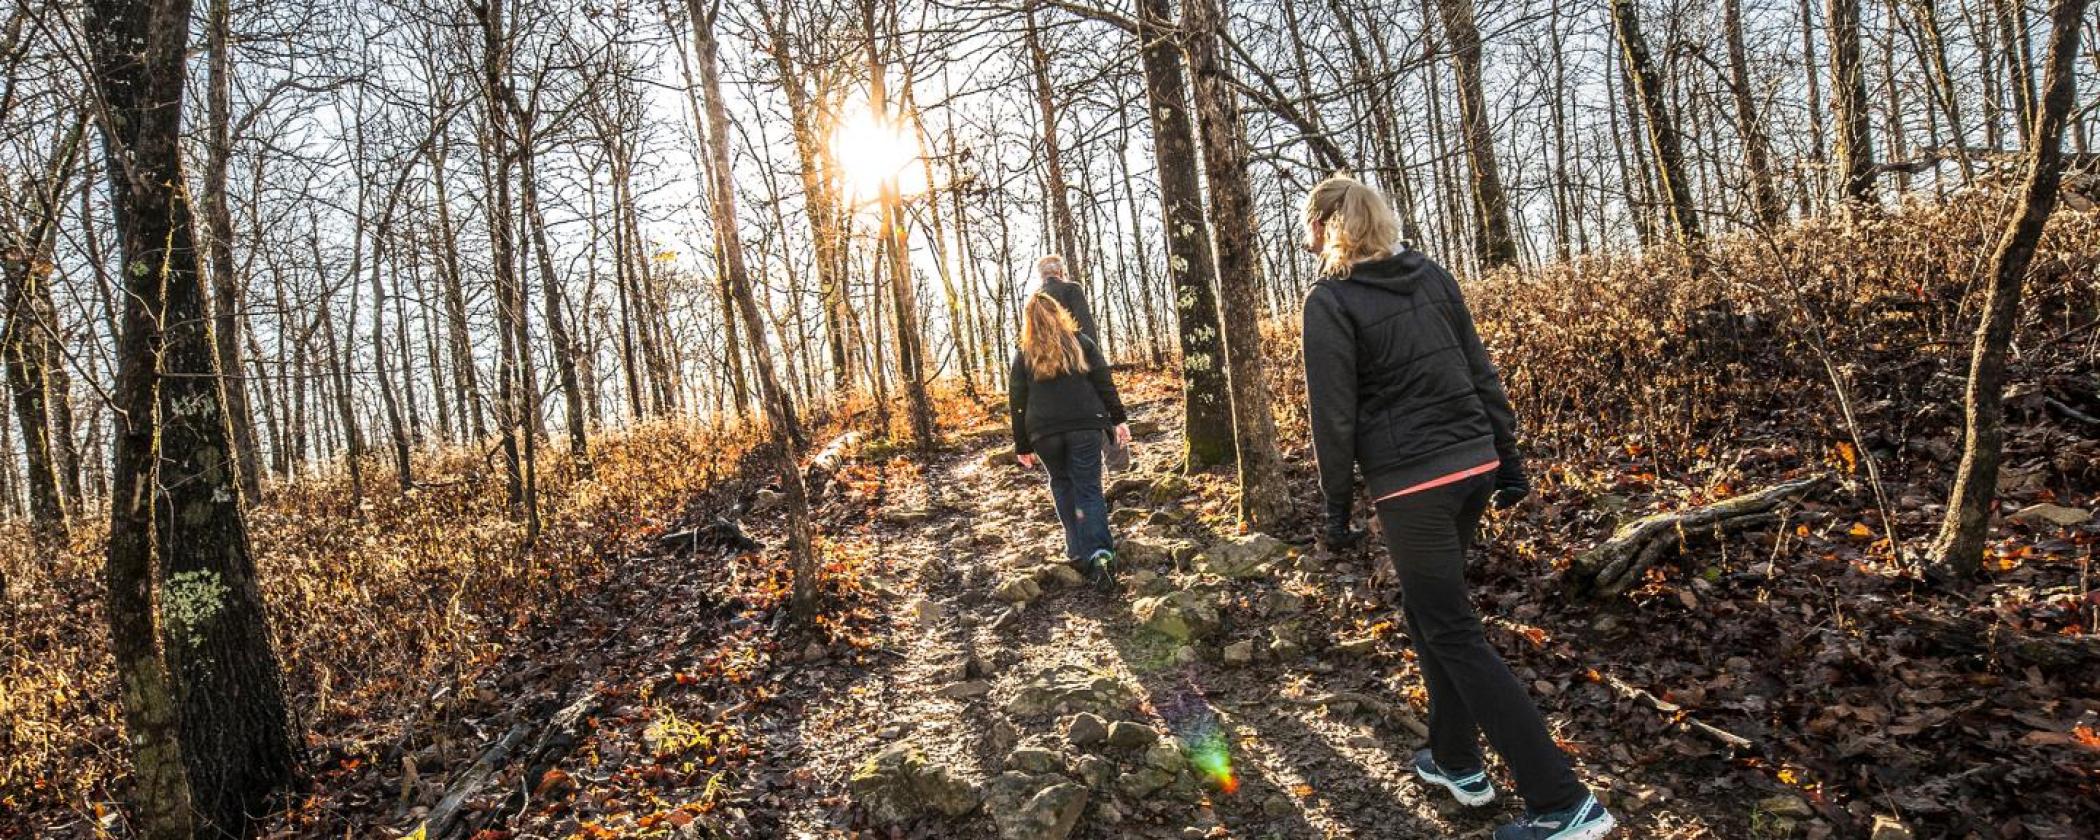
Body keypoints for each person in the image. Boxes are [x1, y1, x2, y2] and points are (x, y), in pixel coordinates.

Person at [1298, 175, 1615, 840]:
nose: (1308, 238)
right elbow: (1481, 371)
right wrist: (1509, 459)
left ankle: (1563, 803)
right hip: (1472, 464)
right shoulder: (1431, 275)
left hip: (1414, 483)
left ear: (1330, 227)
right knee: (1429, 611)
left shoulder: (1330, 300)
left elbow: (1332, 418)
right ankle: (1456, 761)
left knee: (1451, 628)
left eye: (1311, 225)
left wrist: (1335, 511)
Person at [1009, 293, 1130, 587]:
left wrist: (1022, 444)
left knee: (1063, 484)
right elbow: (1104, 380)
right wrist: (1118, 418)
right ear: (1059, 312)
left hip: (1044, 433)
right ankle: (1100, 555)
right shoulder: (1081, 343)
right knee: (1088, 488)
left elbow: (1017, 401)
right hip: (1085, 427)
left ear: (1029, 323)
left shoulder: (1024, 354)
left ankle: (1077, 550)